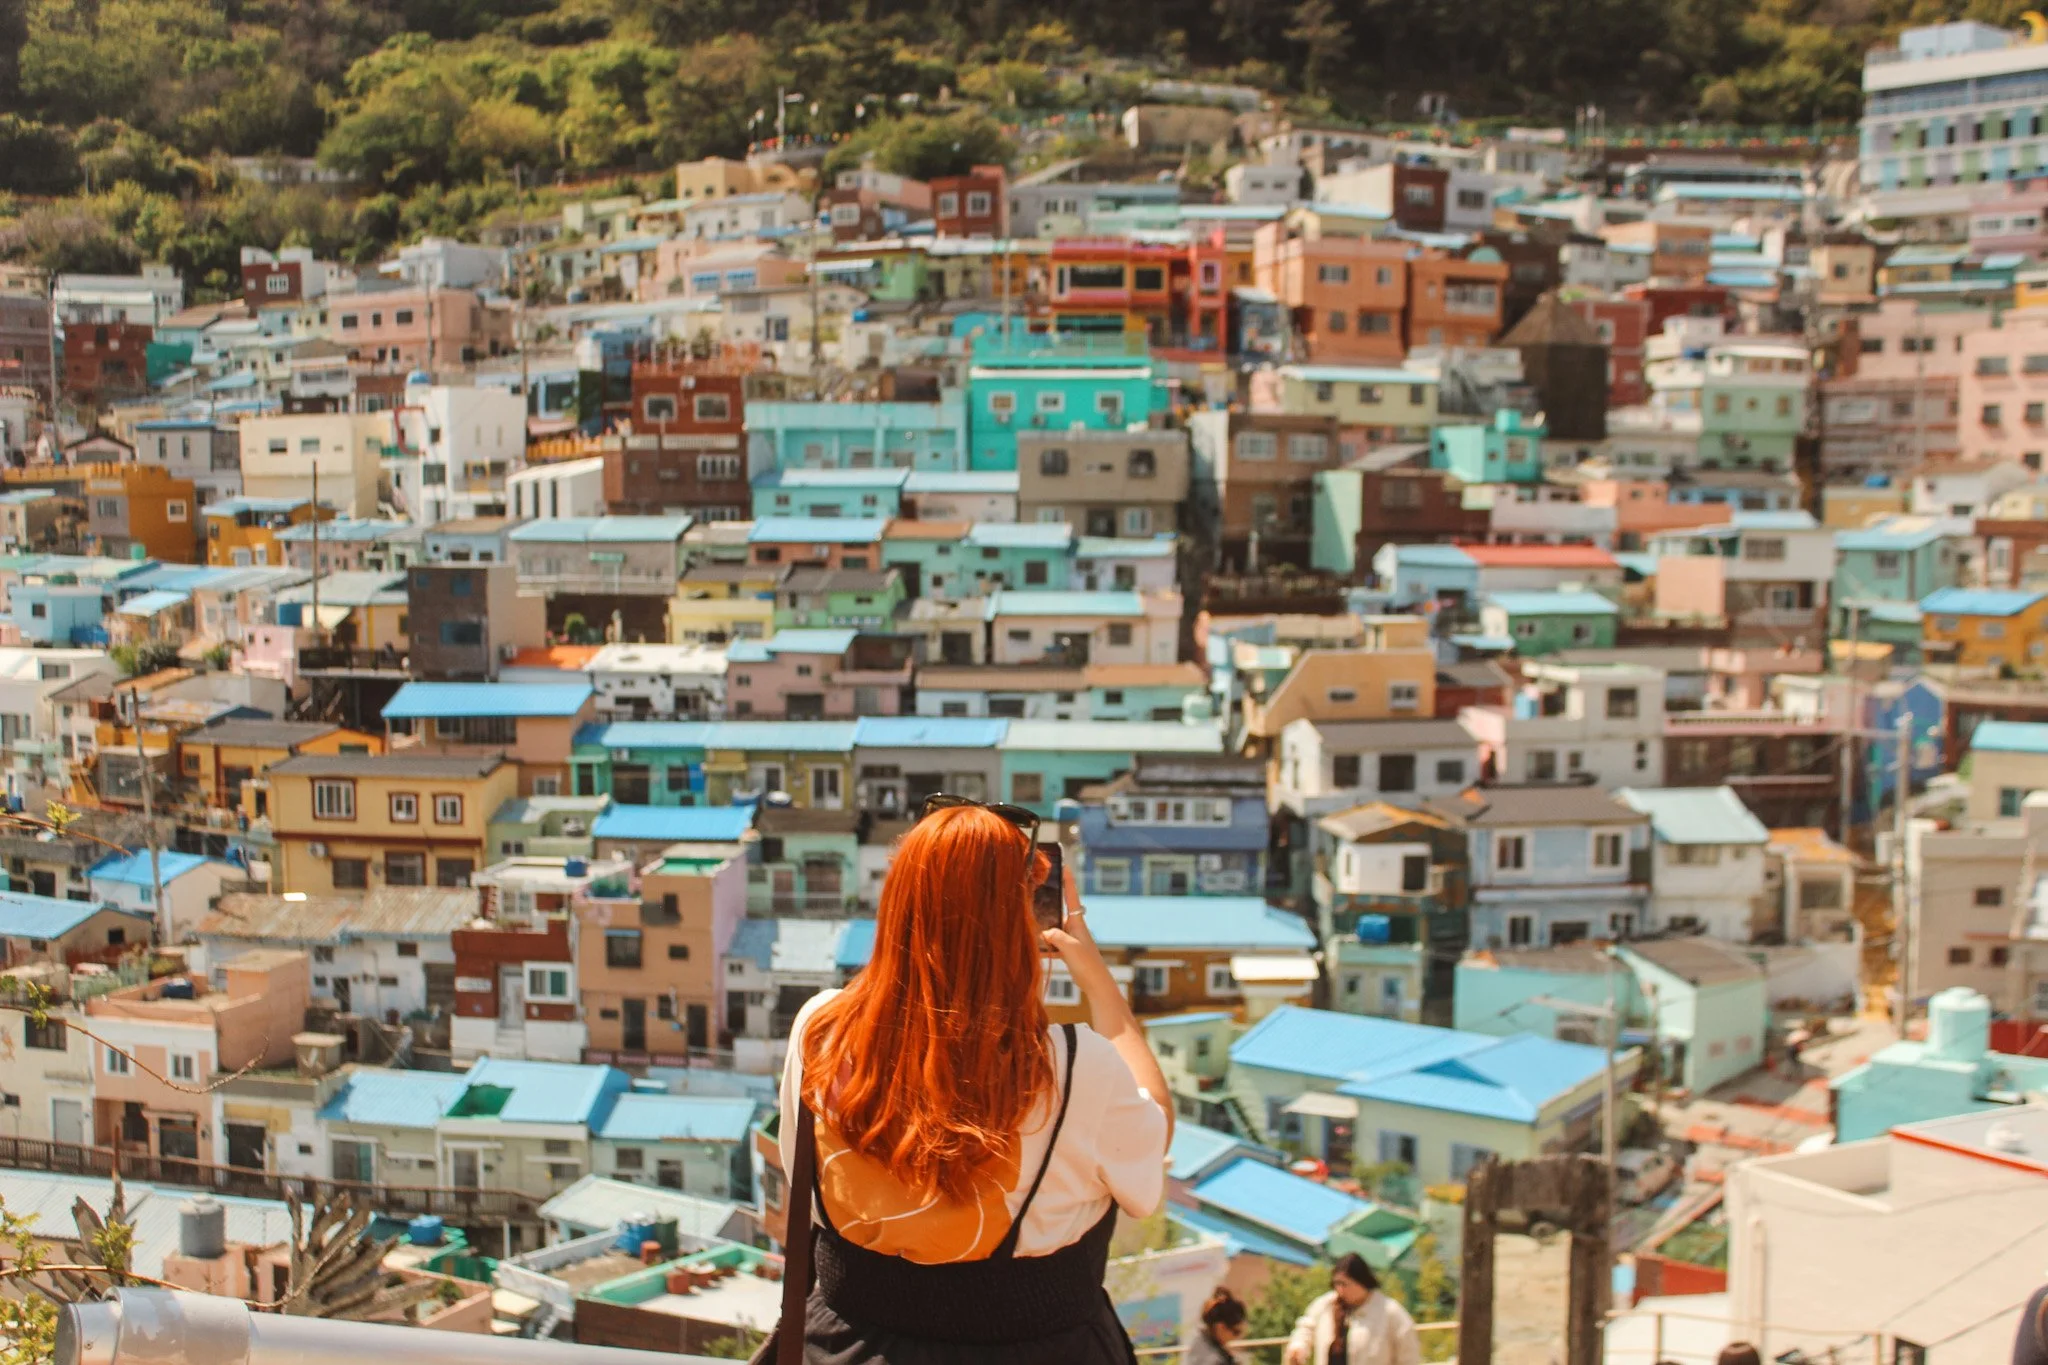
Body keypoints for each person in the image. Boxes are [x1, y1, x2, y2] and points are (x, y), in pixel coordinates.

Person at [779, 798, 1174, 1364]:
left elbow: (804, 1180)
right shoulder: (1076, 1066)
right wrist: (1100, 983)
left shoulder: (819, 1030)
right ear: (1023, 923)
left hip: (844, 1347)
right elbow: (1152, 1146)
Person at [1282, 1254, 1421, 1365]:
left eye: (1344, 1284)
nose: (1339, 1289)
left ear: (1361, 1282)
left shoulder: (1390, 1312)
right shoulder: (1326, 1305)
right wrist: (1299, 1347)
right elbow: (1306, 1327)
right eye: (1336, 1284)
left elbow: (1408, 1355)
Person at [1182, 1287, 1249, 1365]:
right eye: (1236, 1332)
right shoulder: (1214, 1359)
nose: (1238, 1337)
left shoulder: (1199, 1342)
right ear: (1221, 1327)